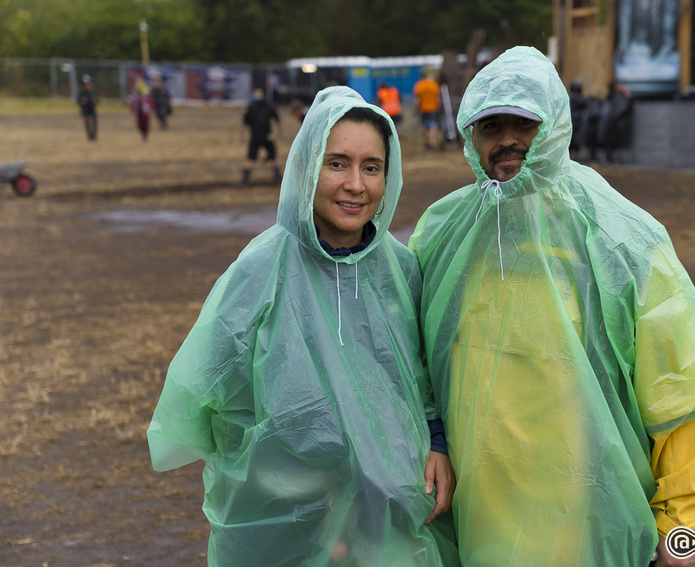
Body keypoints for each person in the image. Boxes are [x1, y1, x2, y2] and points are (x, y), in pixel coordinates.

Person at [409, 46, 695, 567]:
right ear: (470, 136)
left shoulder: (623, 238)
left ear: (554, 124)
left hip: (591, 512)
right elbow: (410, 362)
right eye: (490, 125)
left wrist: (682, 524)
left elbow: (682, 392)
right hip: (476, 513)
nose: (506, 139)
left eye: (523, 122)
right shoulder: (443, 235)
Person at [147, 86, 461, 566]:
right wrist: (275, 450)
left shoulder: (401, 269)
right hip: (291, 507)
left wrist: (436, 443)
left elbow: (421, 377)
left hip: (388, 506)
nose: (355, 185)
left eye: (371, 167)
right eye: (337, 163)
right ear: (306, 168)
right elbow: (203, 385)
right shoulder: (261, 267)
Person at [239, 88, 282, 186]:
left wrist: (241, 135)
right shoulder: (268, 105)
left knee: (250, 158)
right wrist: (279, 131)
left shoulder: (250, 107)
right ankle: (277, 178)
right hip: (267, 136)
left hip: (255, 137)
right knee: (274, 157)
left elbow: (244, 124)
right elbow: (277, 120)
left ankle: (244, 180)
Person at [414, 71, 441, 150]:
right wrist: (438, 107)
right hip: (433, 108)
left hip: (423, 109)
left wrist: (416, 109)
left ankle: (427, 142)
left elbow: (417, 100)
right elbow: (438, 97)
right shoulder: (434, 84)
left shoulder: (419, 85)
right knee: (433, 126)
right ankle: (432, 142)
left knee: (425, 126)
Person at [129, 77, 154, 141]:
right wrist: (132, 109)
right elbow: (133, 101)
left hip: (145, 111)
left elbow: (150, 101)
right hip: (138, 111)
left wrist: (151, 109)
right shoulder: (135, 94)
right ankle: (143, 133)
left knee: (145, 123)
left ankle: (145, 135)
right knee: (139, 124)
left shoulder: (146, 93)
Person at [77, 75, 98, 141]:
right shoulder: (81, 92)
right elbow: (78, 100)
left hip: (92, 110)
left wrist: (95, 100)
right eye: (86, 84)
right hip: (86, 110)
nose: (87, 86)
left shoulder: (92, 92)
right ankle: (89, 136)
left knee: (94, 122)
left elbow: (97, 99)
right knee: (87, 123)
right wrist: (82, 101)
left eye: (89, 84)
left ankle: (94, 136)